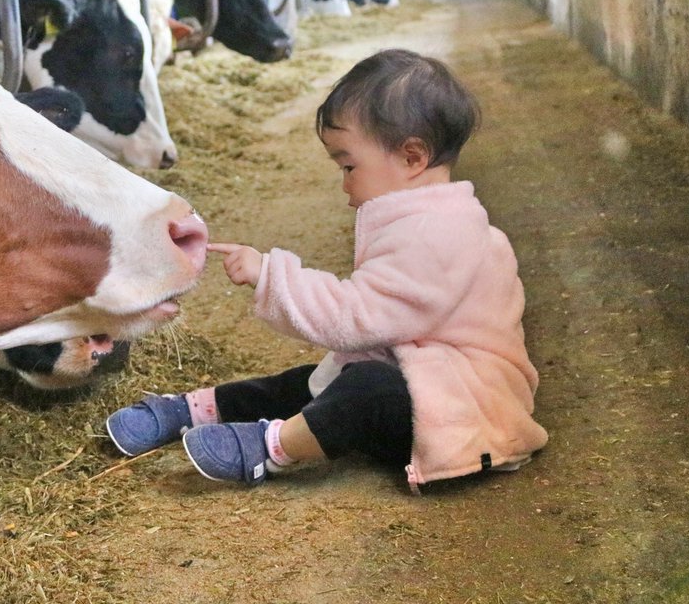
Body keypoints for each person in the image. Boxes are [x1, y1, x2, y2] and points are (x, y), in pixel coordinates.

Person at [105, 49, 548, 491]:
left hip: (463, 412)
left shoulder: (440, 233)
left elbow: (356, 316)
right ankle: (195, 410)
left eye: (349, 166)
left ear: (412, 157)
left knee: (367, 389)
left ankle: (270, 446)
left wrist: (270, 275)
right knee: (321, 380)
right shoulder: (429, 221)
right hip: (425, 377)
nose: (345, 184)